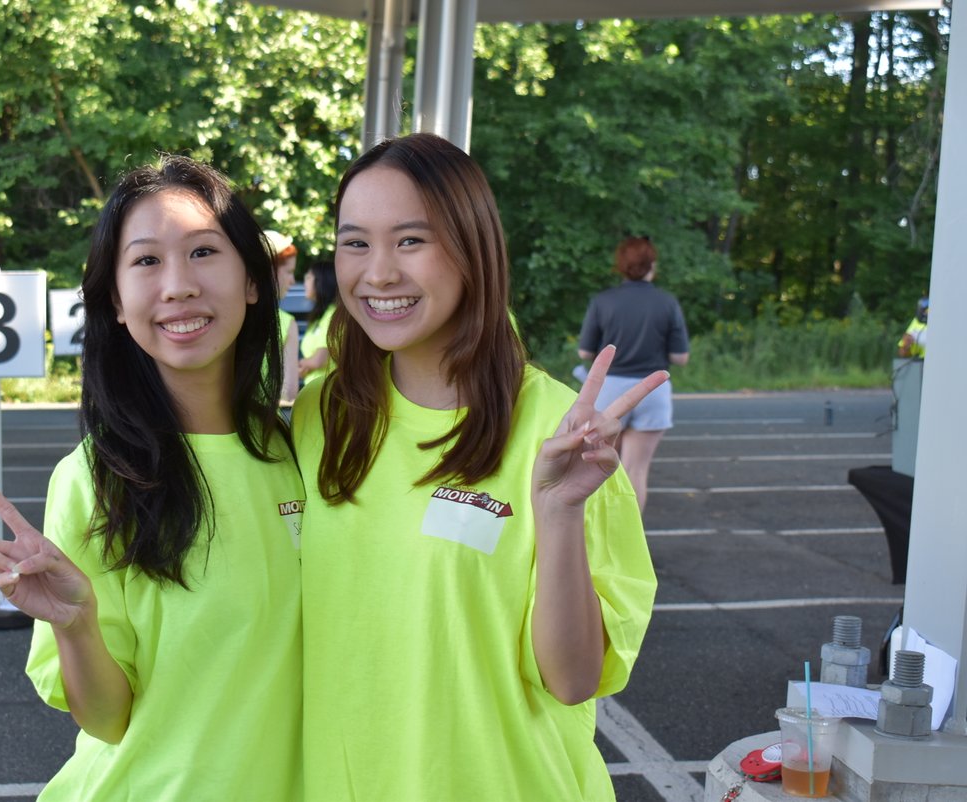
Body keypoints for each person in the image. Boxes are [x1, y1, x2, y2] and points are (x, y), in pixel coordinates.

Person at [292, 133, 663, 802]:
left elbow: (574, 679)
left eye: (410, 241)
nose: (377, 273)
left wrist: (558, 510)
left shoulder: (564, 435)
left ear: (472, 249)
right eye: (355, 242)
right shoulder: (321, 418)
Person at [0, 156, 302, 800]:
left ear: (250, 279)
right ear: (116, 303)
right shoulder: (95, 480)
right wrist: (75, 624)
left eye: (204, 252)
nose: (178, 285)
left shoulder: (307, 452)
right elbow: (106, 719)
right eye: (147, 261)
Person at [578, 236, 690, 513]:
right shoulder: (667, 302)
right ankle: (630, 546)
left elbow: (585, 352)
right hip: (653, 390)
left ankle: (599, 542)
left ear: (621, 266)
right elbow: (681, 357)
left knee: (599, 470)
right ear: (652, 265)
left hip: (610, 390)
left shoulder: (603, 301)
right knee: (636, 471)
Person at [264, 229, 301, 404]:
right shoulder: (285, 322)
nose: (292, 280)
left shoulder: (227, 315)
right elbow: (288, 393)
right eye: (288, 271)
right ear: (270, 270)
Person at [297, 260, 336, 383]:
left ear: (322, 281)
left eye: (308, 277)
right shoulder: (320, 317)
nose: (305, 282)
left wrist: (300, 364)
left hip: (328, 392)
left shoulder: (332, 314)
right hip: (316, 391)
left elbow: (319, 360)